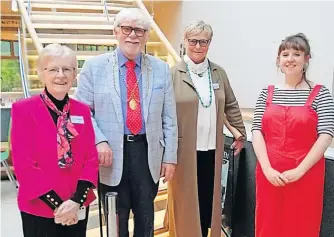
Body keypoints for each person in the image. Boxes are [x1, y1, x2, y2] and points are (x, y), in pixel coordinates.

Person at [74, 8, 178, 237]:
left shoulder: (161, 69)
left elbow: (169, 117)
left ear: (147, 35)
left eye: (139, 30)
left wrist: (170, 156)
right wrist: (99, 141)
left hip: (147, 153)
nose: (133, 35)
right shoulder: (94, 67)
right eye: (127, 29)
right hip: (110, 155)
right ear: (116, 32)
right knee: (115, 222)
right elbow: (81, 113)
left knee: (146, 221)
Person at [164, 20, 246, 237]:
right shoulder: (172, 74)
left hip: (212, 150)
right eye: (193, 41)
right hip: (183, 153)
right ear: (185, 41)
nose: (198, 46)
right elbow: (163, 115)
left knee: (208, 203)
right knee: (185, 205)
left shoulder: (218, 73)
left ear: (210, 43)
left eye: (203, 41)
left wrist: (240, 132)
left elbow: (230, 104)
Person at [11, 43, 99, 237]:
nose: (61, 75)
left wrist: (76, 202)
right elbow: (24, 165)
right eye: (53, 69)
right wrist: (60, 207)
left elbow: (91, 159)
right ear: (41, 73)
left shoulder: (82, 111)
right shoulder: (23, 110)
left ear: (74, 74)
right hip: (39, 207)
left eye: (67, 69)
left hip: (76, 204)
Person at [252, 33, 334, 237]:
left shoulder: (321, 93)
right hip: (269, 173)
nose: (290, 59)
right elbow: (256, 132)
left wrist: (299, 171)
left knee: (301, 226)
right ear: (278, 60)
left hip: (306, 174)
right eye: (285, 54)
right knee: (267, 225)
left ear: (306, 59)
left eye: (296, 54)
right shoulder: (266, 93)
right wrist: (267, 168)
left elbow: (326, 135)